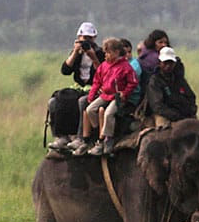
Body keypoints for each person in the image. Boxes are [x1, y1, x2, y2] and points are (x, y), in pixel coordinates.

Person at [71, 37, 138, 156]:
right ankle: (98, 131)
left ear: (117, 52)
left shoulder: (126, 67)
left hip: (117, 97)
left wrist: (125, 93)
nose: (106, 55)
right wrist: (91, 96)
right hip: (105, 95)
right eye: (105, 52)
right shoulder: (104, 66)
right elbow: (97, 81)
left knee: (108, 113)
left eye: (108, 52)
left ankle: (108, 139)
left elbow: (133, 82)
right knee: (90, 109)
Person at [48, 22, 105, 150]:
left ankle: (80, 137)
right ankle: (61, 136)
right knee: (54, 101)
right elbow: (65, 70)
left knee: (82, 102)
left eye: (90, 39)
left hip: (94, 87)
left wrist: (93, 57)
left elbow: (102, 73)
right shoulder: (77, 53)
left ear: (94, 38)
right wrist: (75, 52)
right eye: (84, 38)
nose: (87, 41)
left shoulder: (99, 53)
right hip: (78, 86)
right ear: (79, 38)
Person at [146, 47, 197, 127]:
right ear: (159, 63)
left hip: (184, 114)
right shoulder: (155, 81)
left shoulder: (179, 78)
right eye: (165, 63)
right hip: (164, 116)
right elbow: (157, 106)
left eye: (171, 63)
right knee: (163, 135)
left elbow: (191, 96)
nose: (168, 66)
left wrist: (191, 110)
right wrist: (175, 115)